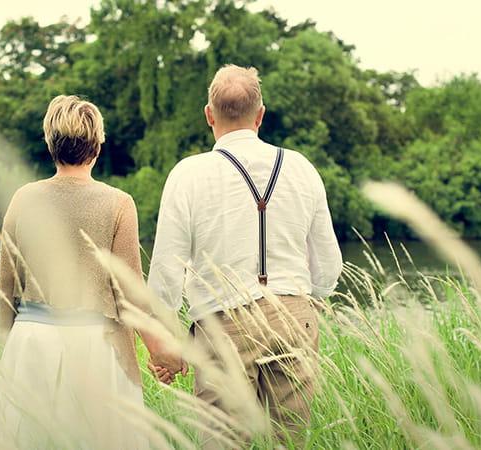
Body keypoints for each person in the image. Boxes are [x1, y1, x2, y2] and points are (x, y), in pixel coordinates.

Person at [147, 65, 343, 445]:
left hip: (223, 325)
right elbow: (328, 269)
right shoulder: (302, 168)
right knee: (290, 442)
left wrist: (166, 344)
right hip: (294, 319)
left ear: (209, 114)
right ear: (260, 114)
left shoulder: (189, 174)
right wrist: (304, 300)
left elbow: (165, 273)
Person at [0, 95, 179, 449]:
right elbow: (129, 296)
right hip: (98, 348)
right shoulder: (119, 203)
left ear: (51, 144)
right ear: (97, 145)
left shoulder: (23, 198)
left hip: (31, 344)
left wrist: (10, 353)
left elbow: (7, 291)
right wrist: (163, 352)